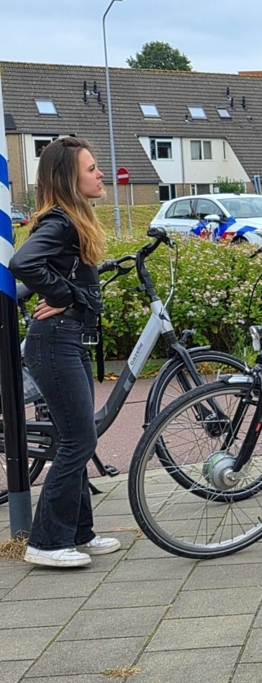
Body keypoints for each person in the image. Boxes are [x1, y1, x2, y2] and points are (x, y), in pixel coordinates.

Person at [9, 137, 122, 568]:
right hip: (54, 341)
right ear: (68, 178)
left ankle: (78, 532)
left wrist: (68, 293)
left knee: (74, 437)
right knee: (79, 439)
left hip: (62, 339)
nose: (100, 174)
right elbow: (23, 263)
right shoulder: (60, 222)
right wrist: (68, 295)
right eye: (91, 168)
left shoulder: (74, 219)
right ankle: (46, 542)